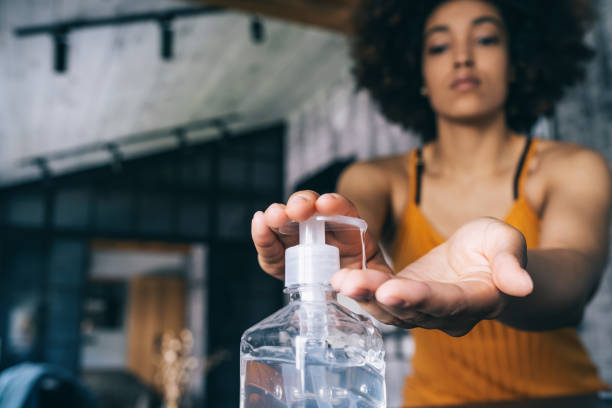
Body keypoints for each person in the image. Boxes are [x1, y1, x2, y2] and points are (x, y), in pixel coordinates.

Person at [251, 0, 612, 405]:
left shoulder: (574, 167)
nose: (462, 57)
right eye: (439, 47)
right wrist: (320, 247)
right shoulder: (379, 178)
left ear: (517, 61)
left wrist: (503, 275)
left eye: (486, 38)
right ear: (418, 73)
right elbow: (347, 226)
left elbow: (574, 284)